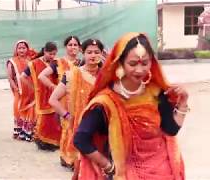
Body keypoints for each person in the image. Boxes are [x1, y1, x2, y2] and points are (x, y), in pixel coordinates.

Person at [73, 32, 188, 179]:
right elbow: (81, 140)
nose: (139, 70)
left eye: (145, 63)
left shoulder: (156, 93)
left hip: (162, 171)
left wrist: (183, 103)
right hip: (124, 172)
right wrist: (109, 166)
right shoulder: (106, 102)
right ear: (120, 63)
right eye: (133, 64)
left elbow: (171, 129)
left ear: (152, 63)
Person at [48, 39, 104, 170]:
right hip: (80, 127)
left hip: (102, 128)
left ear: (102, 54)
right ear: (82, 53)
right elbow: (53, 100)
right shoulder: (72, 75)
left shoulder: (107, 76)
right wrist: (67, 116)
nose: (93, 55)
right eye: (89, 52)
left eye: (97, 52)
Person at [21, 42, 61, 151]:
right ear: (44, 51)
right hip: (41, 95)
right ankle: (43, 143)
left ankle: (55, 142)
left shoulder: (56, 63)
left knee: (55, 119)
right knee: (44, 119)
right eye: (50, 54)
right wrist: (33, 87)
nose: (52, 56)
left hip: (55, 94)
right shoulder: (33, 64)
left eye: (54, 54)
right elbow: (23, 77)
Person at [6, 40, 37, 141]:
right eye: (19, 48)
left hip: (31, 90)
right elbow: (10, 77)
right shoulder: (12, 62)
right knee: (18, 109)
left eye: (24, 48)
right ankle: (19, 132)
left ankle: (28, 132)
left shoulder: (31, 59)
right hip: (19, 90)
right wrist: (15, 88)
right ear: (16, 49)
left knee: (31, 110)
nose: (22, 50)